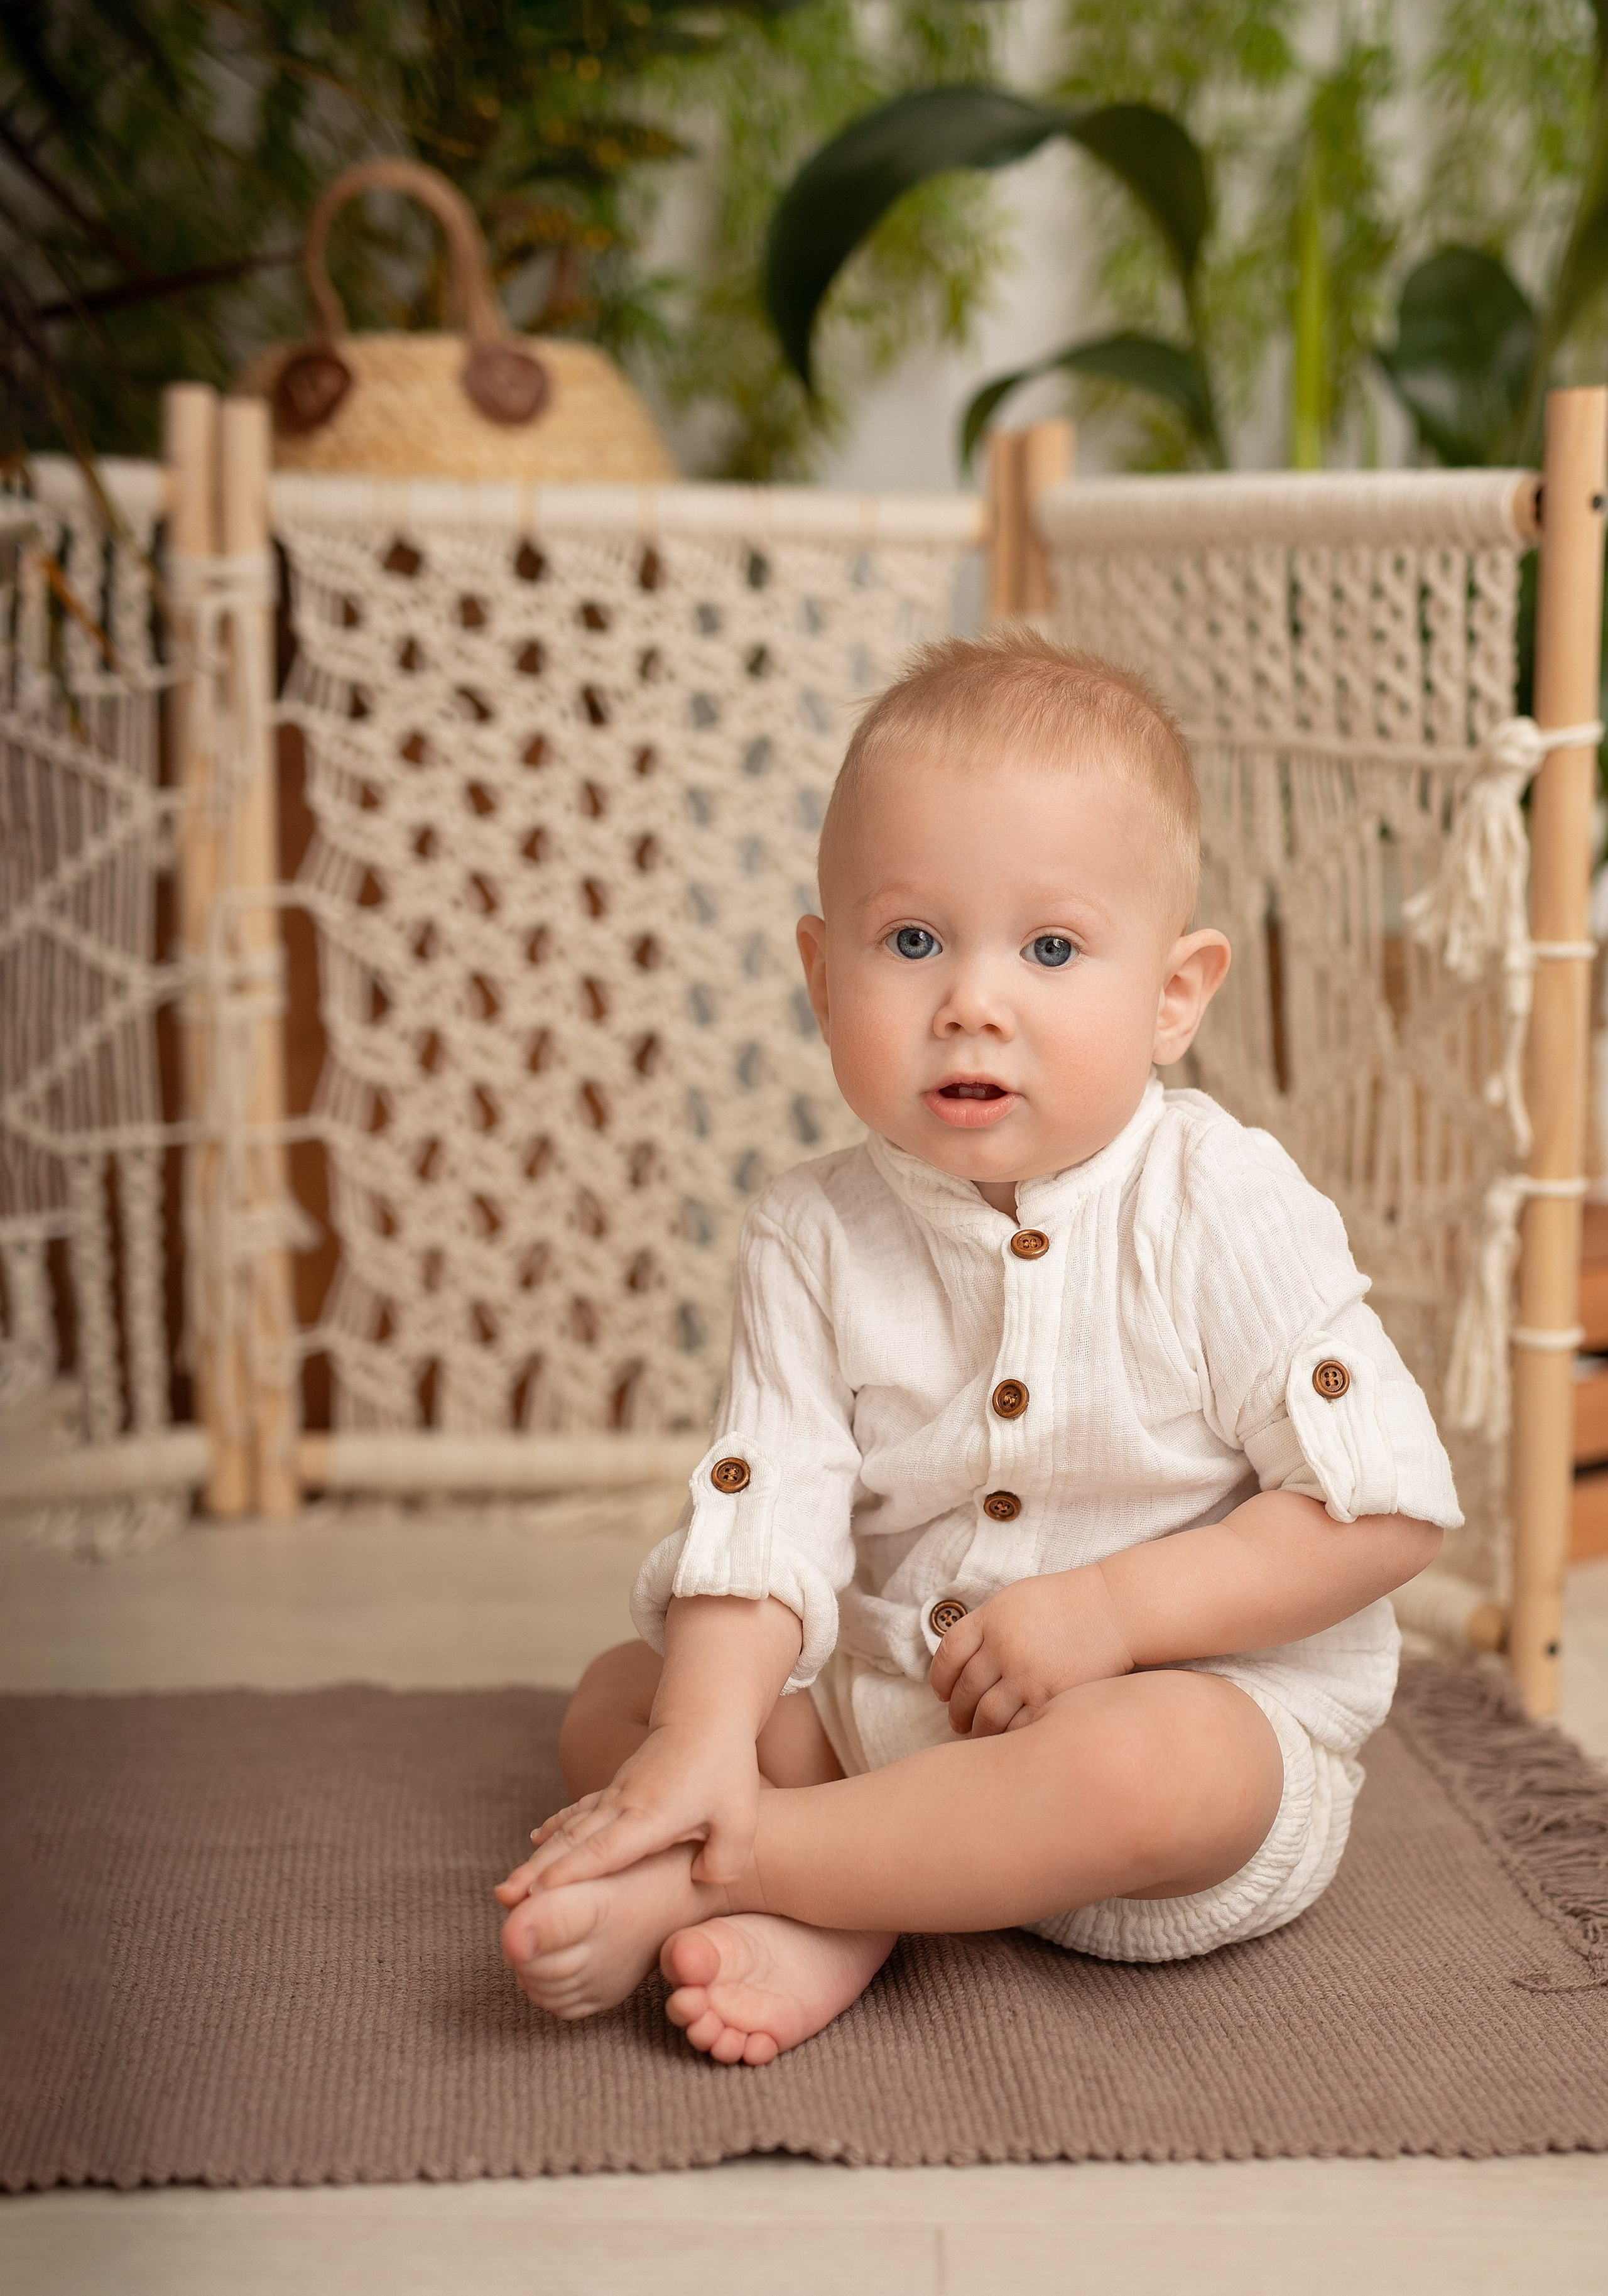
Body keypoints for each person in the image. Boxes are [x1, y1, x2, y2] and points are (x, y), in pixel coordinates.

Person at [496, 630, 1457, 2065]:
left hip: (1166, 1754)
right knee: (625, 1702)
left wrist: (1114, 1618)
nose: (972, 1000)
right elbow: (767, 1514)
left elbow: (1379, 1508)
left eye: (1051, 948)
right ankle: (851, 1881)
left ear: (1174, 994)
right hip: (900, 1712)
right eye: (910, 940)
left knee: (1143, 1769)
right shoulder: (809, 1234)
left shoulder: (1221, 1202)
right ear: (823, 978)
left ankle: (739, 1867)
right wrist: (699, 1737)